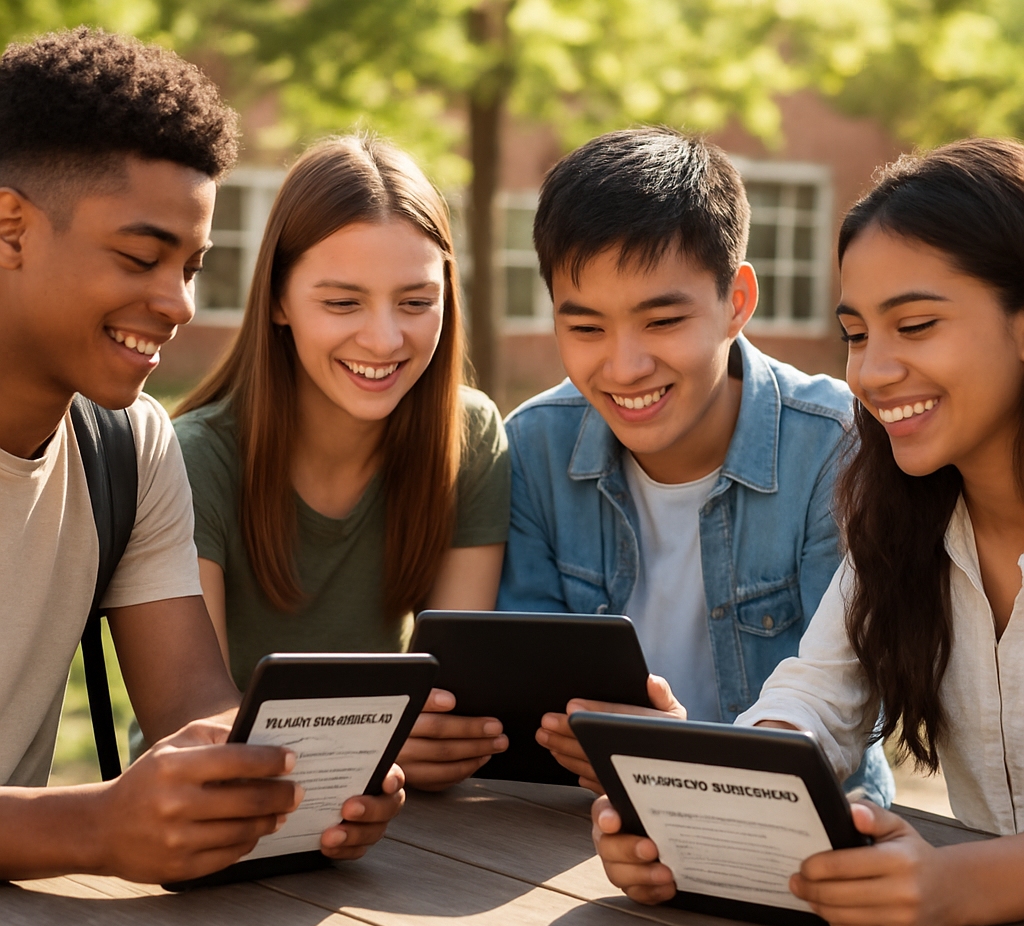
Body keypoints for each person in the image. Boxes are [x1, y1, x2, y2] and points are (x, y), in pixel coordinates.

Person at [593, 136, 1024, 926]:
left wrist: (955, 887)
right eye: (857, 333)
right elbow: (816, 698)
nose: (873, 371)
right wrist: (698, 814)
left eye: (918, 325)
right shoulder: (905, 527)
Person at [0, 27, 404, 882]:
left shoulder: (128, 444)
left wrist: (287, 789)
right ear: (10, 228)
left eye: (191, 266)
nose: (177, 304)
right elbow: (96, 825)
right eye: (142, 257)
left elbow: (195, 711)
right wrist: (91, 827)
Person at [497, 127, 893, 806]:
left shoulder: (836, 448)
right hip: (576, 829)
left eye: (661, 322)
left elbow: (850, 706)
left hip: (798, 831)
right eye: (586, 328)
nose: (623, 367)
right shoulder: (533, 446)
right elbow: (523, 702)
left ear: (736, 302)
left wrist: (674, 758)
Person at [172, 135, 511, 792]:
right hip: (220, 811)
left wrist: (435, 740)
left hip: (386, 816)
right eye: (342, 303)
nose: (384, 339)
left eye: (416, 302)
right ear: (277, 300)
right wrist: (386, 746)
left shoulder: (468, 436)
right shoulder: (195, 459)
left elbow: (444, 697)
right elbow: (201, 730)